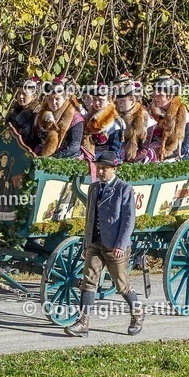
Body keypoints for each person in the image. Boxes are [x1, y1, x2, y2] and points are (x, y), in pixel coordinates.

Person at [64, 150, 144, 338]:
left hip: (115, 245)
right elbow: (89, 218)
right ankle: (83, 322)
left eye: (103, 169)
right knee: (88, 281)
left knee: (121, 285)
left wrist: (121, 245)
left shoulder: (124, 189)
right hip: (95, 243)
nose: (99, 172)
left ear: (114, 169)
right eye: (98, 168)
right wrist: (86, 243)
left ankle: (138, 313)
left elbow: (128, 220)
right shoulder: (93, 189)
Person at [32, 77, 83, 158]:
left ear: (64, 98)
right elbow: (34, 138)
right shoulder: (41, 115)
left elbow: (74, 147)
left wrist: (53, 158)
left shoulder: (75, 117)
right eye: (50, 99)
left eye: (57, 99)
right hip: (41, 154)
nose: (53, 102)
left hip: (66, 158)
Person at [146, 75, 189, 160]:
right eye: (155, 95)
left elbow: (185, 147)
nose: (156, 98)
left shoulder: (183, 115)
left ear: (169, 96)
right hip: (153, 151)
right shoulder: (151, 112)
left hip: (176, 154)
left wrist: (163, 155)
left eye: (160, 95)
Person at [112, 75, 153, 162]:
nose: (120, 104)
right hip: (118, 154)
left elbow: (144, 149)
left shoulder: (144, 117)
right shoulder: (117, 116)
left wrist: (129, 161)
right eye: (118, 102)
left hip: (137, 157)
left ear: (133, 100)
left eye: (123, 101)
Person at [81, 84, 124, 160]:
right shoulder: (87, 117)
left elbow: (114, 151)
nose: (96, 103)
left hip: (105, 157)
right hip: (86, 153)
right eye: (94, 99)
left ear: (109, 100)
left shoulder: (115, 123)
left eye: (101, 100)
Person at [5, 77, 40, 148]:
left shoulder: (37, 114)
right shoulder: (13, 113)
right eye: (19, 93)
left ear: (34, 96)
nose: (20, 96)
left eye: (24, 94)